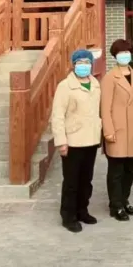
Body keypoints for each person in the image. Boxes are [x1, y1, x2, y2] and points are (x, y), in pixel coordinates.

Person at [50, 48, 103, 233]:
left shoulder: (95, 84)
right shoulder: (65, 86)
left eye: (87, 63)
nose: (83, 66)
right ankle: (68, 216)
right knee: (71, 181)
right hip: (73, 141)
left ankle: (82, 210)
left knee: (86, 180)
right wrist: (61, 141)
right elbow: (57, 115)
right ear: (73, 65)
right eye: (80, 63)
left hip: (91, 139)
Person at [100, 38, 133, 221]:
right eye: (120, 53)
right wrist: (108, 131)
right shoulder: (110, 77)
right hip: (116, 129)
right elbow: (105, 107)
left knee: (129, 169)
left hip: (131, 129)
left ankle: (125, 200)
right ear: (115, 56)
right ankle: (115, 205)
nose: (124, 55)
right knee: (116, 170)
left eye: (127, 52)